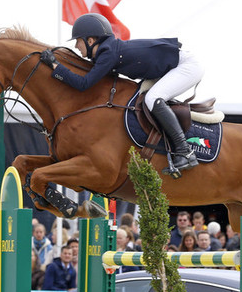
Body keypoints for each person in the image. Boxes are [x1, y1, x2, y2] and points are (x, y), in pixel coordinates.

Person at [42, 13, 201, 176]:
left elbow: (83, 84)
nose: (76, 46)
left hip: (186, 67)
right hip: (172, 67)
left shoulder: (108, 54)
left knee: (152, 98)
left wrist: (55, 66)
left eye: (78, 41)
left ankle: (185, 151)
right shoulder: (107, 51)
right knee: (146, 98)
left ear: (90, 41)